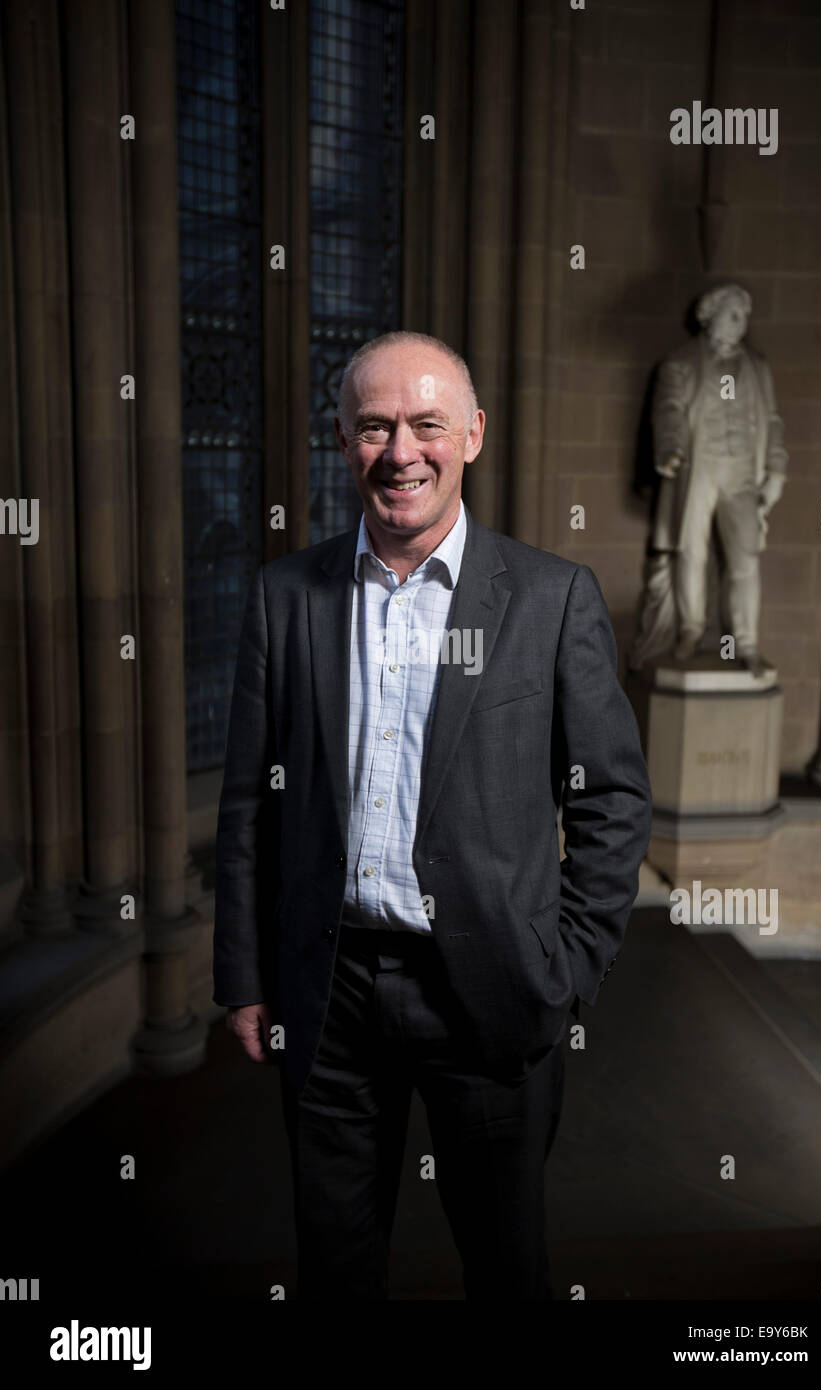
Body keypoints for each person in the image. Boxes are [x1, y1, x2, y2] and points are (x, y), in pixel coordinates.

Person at [213, 330, 652, 1300]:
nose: (400, 450)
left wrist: (567, 970)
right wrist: (244, 972)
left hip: (493, 994)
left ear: (473, 436)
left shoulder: (550, 599)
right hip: (331, 993)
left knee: (505, 1270)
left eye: (425, 424)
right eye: (374, 426)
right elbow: (250, 799)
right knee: (334, 1268)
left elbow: (611, 797)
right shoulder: (288, 597)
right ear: (343, 439)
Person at [633, 283, 787, 675]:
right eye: (734, 313)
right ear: (711, 314)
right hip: (698, 467)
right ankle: (690, 630)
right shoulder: (681, 362)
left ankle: (747, 641)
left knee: (746, 556)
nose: (741, 322)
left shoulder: (758, 366)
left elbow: (771, 420)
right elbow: (667, 410)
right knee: (690, 550)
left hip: (741, 472)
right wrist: (669, 449)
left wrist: (776, 468)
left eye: (745, 316)